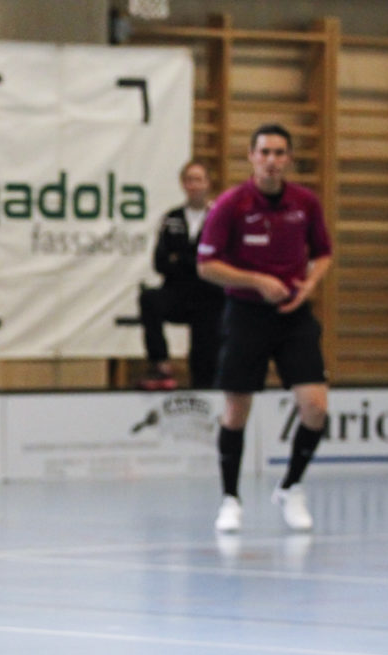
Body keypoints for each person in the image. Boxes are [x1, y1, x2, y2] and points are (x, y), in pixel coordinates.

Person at [197, 124, 332, 533]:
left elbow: (323, 253)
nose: (272, 160)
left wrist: (310, 283)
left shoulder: (305, 203)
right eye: (264, 152)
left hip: (294, 317)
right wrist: (256, 281)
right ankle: (230, 499)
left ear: (289, 159)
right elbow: (206, 266)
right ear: (252, 157)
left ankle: (291, 486)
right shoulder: (231, 204)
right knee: (236, 411)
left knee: (315, 407)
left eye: (279, 152)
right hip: (246, 315)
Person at [138, 160, 223, 390]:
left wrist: (182, 258)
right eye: (189, 180)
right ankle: (160, 363)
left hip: (209, 296)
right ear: (183, 184)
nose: (194, 185)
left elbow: (218, 261)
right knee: (149, 299)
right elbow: (160, 262)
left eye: (199, 180)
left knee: (204, 360)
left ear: (208, 184)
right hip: (177, 291)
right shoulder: (172, 218)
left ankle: (205, 389)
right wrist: (194, 260)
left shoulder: (219, 217)